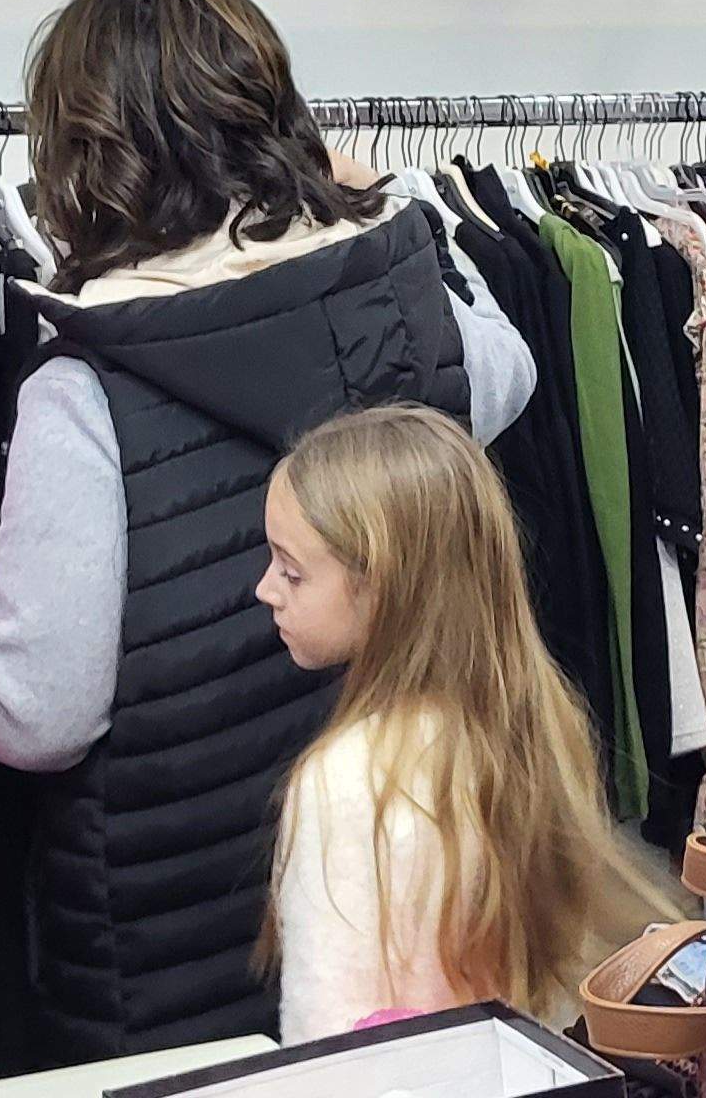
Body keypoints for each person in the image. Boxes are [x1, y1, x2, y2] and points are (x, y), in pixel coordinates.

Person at [0, 0, 537, 1074]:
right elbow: (507, 374)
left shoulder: (83, 388)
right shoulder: (397, 305)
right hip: (401, 853)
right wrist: (394, 220)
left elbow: (34, 710)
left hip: (168, 924)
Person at [254, 404, 682, 1038]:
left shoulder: (347, 781)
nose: (267, 589)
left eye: (292, 571)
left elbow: (330, 1046)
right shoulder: (533, 719)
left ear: (384, 586)